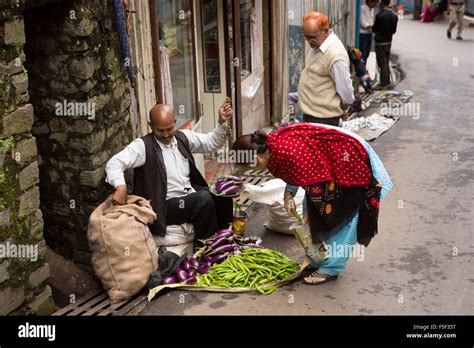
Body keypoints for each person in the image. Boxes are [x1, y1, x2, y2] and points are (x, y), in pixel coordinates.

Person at [233, 122, 392, 285]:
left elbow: (304, 170)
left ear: (256, 157)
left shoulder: (286, 151)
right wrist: (289, 194)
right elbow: (298, 170)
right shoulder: (274, 147)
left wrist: (313, 210)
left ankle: (331, 268)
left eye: (248, 166)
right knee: (312, 215)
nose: (251, 170)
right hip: (331, 164)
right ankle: (319, 259)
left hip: (348, 164)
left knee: (343, 217)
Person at [105, 102, 234, 244]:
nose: (166, 134)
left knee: (222, 196)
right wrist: (120, 186)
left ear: (175, 122)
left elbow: (212, 143)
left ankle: (223, 239)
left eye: (169, 129)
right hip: (162, 206)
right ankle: (205, 250)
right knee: (203, 200)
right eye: (160, 130)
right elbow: (114, 163)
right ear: (150, 125)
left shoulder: (183, 137)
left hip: (187, 199)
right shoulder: (142, 146)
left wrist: (221, 122)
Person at [298, 12, 354, 127]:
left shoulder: (335, 56)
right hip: (313, 116)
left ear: (326, 31)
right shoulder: (318, 46)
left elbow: (347, 93)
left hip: (324, 120)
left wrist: (340, 109)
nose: (309, 42)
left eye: (313, 38)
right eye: (306, 37)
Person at [372, 0, 398, 89]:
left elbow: (374, 28)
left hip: (380, 42)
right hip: (388, 41)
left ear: (382, 3)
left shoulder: (379, 15)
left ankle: (384, 84)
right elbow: (394, 31)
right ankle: (387, 81)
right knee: (386, 61)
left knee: (382, 63)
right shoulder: (394, 16)